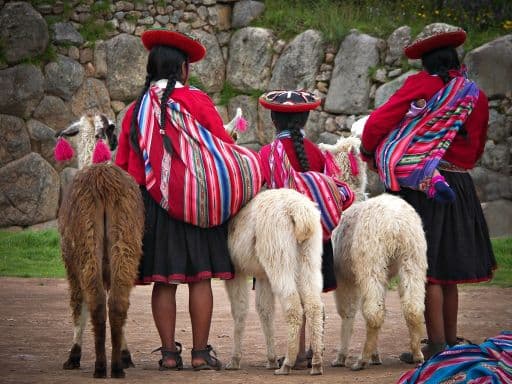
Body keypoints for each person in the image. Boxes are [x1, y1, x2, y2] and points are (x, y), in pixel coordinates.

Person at [115, 28, 261, 371]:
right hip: (199, 204)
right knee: (199, 278)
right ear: (183, 69)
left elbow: (123, 164)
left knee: (164, 280)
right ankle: (199, 353)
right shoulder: (196, 101)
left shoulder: (136, 111)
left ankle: (168, 355)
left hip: (153, 206)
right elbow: (223, 144)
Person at [360, 24, 497, 362]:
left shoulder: (421, 86)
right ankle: (449, 338)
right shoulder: (474, 95)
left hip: (423, 185)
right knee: (447, 269)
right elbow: (477, 144)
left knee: (427, 266)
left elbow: (379, 123)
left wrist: (372, 152)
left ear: (426, 61)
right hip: (459, 183)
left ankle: (435, 344)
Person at [259, 90, 353, 368]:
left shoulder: (267, 154)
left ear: (273, 120)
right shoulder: (315, 152)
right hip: (314, 231)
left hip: (283, 233)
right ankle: (315, 347)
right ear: (306, 119)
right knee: (311, 290)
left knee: (292, 293)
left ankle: (296, 352)